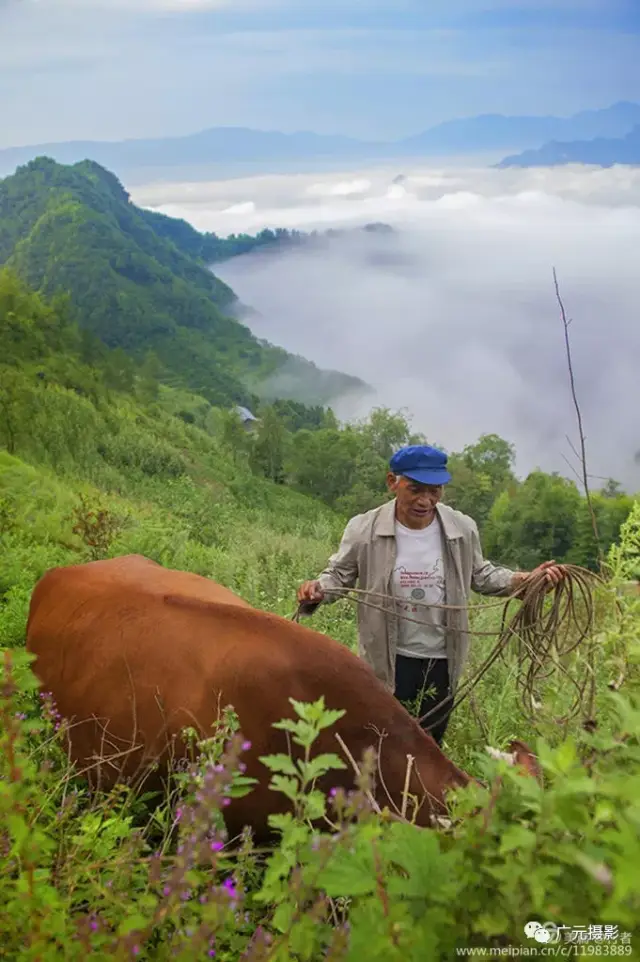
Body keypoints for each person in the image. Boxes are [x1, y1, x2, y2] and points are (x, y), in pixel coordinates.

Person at [296, 444, 567, 746]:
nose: (425, 501)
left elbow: (481, 574)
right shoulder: (365, 529)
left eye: (435, 491)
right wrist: (318, 589)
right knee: (381, 741)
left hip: (441, 659)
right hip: (388, 659)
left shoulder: (461, 529)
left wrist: (526, 581)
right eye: (415, 490)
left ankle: (419, 795)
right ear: (392, 482)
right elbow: (340, 575)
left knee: (428, 746)